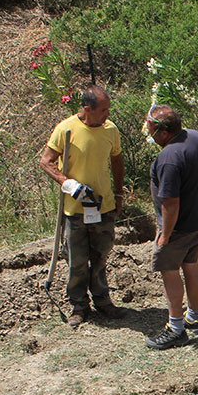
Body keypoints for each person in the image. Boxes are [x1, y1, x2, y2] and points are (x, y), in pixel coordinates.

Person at [39, 86, 126, 328]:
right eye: (102, 110)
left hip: (103, 206)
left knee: (100, 256)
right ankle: (78, 305)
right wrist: (67, 183)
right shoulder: (66, 129)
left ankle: (102, 300)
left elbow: (117, 162)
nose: (107, 114)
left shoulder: (110, 130)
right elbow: (46, 161)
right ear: (87, 109)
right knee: (77, 260)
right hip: (75, 210)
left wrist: (118, 194)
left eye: (108, 109)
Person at [144, 105, 198, 350]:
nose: (148, 130)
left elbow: (171, 204)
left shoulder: (169, 159)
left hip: (180, 227)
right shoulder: (195, 136)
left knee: (169, 270)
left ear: (163, 131)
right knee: (191, 264)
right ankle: (193, 317)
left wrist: (164, 235)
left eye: (150, 126)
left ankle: (175, 329)